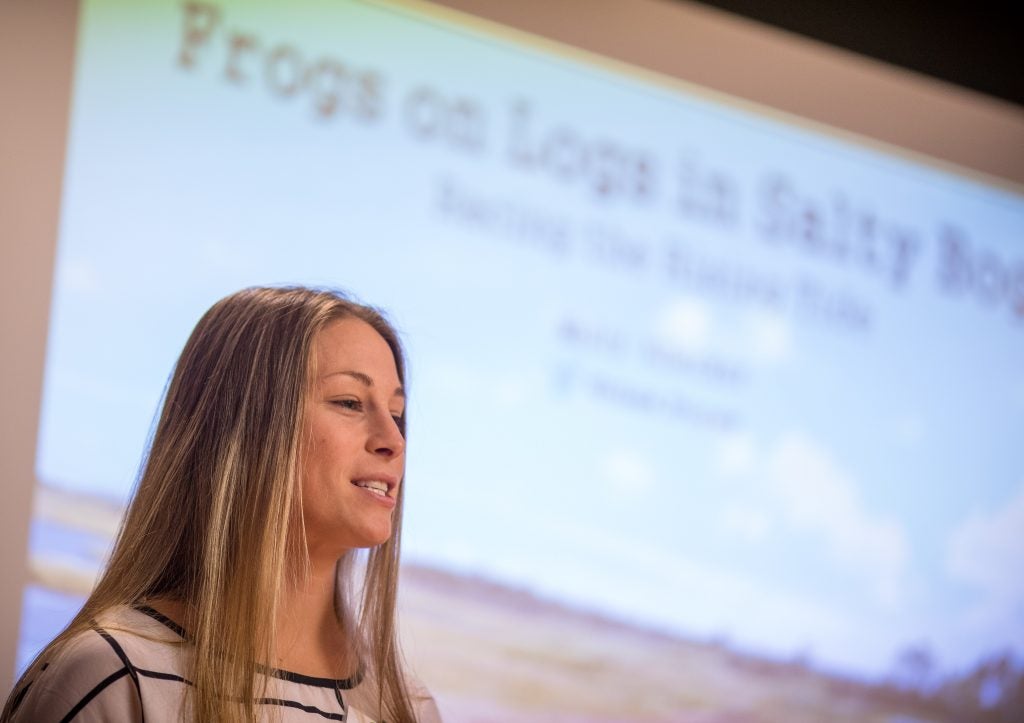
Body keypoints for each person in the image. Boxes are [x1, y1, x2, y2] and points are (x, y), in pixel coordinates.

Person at [3, 286, 442, 723]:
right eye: (349, 402)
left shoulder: (409, 708)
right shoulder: (114, 678)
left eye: (397, 413)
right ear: (244, 429)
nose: (393, 441)